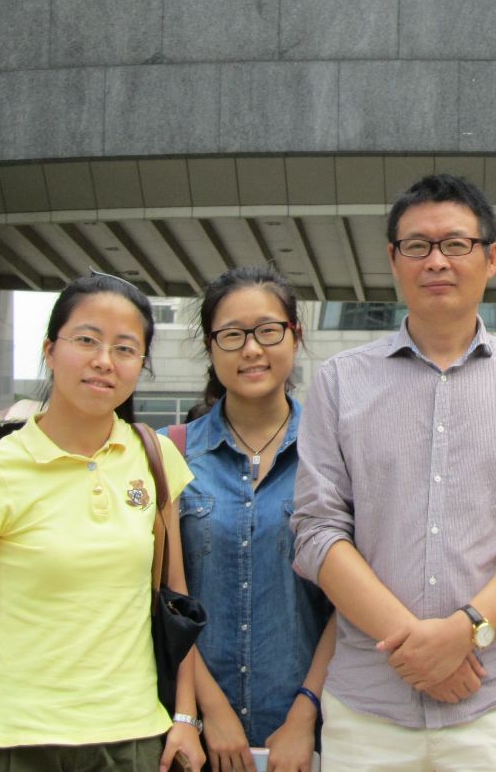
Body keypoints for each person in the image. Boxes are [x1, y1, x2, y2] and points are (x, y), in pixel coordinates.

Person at [292, 173, 496, 770]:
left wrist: (464, 631)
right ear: (393, 259)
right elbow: (317, 531)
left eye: (455, 244)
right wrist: (419, 647)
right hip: (369, 711)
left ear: (491, 257)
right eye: (417, 246)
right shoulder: (340, 382)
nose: (437, 261)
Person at [0, 273, 205, 772]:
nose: (104, 361)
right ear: (50, 349)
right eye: (86, 340)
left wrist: (185, 717)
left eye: (125, 348)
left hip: (132, 737)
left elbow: (175, 596)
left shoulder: (156, 458)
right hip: (14, 739)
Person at [162, 267, 334, 772]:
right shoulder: (171, 454)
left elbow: (347, 604)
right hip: (193, 735)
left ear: (295, 336)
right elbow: (164, 599)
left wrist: (304, 715)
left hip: (305, 736)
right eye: (232, 335)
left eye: (268, 330)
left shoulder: (332, 454)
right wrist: (209, 711)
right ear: (210, 346)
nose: (252, 349)